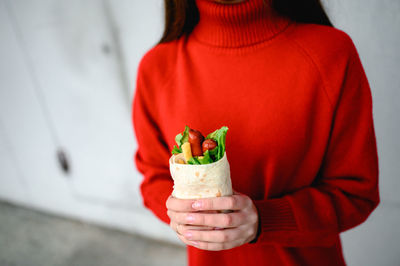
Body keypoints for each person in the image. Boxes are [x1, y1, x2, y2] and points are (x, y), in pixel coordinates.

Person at [132, 0, 380, 265]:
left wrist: (265, 219)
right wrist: (180, 213)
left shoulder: (332, 54)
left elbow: (355, 195)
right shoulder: (156, 67)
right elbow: (154, 179)